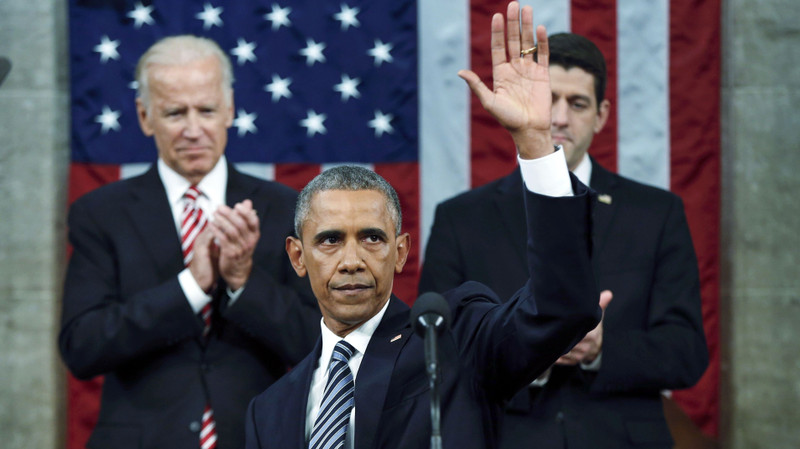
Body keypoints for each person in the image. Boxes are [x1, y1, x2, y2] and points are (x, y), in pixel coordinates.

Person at [244, 3, 601, 449]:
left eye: (372, 238)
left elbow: (562, 309)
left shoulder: (454, 345)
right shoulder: (270, 409)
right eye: (330, 240)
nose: (352, 261)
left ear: (401, 251)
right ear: (298, 256)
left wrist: (533, 141)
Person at [419, 31, 709, 448]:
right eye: (548, 100)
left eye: (577, 104)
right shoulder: (460, 218)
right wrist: (532, 347)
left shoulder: (656, 213)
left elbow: (686, 352)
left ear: (602, 115)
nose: (558, 118)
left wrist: (600, 348)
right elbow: (437, 349)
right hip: (505, 436)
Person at [59, 35, 321, 449]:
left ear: (230, 109)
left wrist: (242, 282)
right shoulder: (100, 212)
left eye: (206, 110)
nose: (193, 130)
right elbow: (82, 347)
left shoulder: (286, 208)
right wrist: (191, 287)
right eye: (175, 113)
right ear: (145, 117)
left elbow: (318, 343)